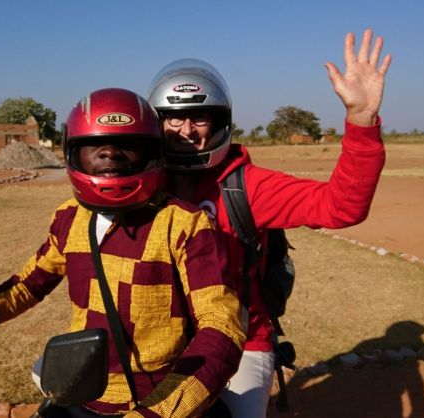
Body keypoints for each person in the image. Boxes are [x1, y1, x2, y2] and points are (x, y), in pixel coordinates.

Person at [0, 88, 245, 417]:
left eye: (127, 144)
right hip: (82, 395)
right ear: (74, 153)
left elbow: (221, 328)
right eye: (95, 145)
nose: (109, 152)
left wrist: (157, 412)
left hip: (163, 401)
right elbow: (24, 287)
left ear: (152, 153)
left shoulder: (184, 225)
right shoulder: (69, 220)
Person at [146, 29, 391, 417]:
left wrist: (361, 119)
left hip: (242, 341)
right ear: (155, 124)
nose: (187, 131)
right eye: (174, 118)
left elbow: (340, 206)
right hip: (158, 336)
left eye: (199, 117)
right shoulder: (142, 186)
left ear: (219, 122)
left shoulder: (246, 186)